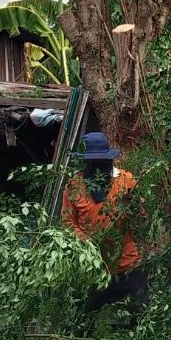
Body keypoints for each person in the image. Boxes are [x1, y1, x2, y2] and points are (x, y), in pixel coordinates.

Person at [61, 130, 148, 311]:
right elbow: (68, 222)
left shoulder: (126, 181)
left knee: (140, 311)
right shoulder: (75, 186)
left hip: (127, 264)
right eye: (94, 162)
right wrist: (88, 244)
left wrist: (134, 208)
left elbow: (142, 218)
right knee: (83, 316)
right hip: (94, 267)